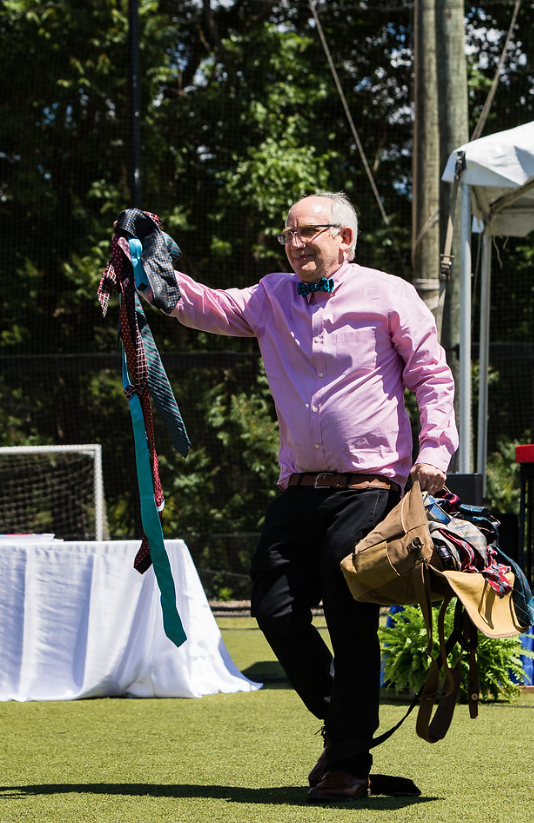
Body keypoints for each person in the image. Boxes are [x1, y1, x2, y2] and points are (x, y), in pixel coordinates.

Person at [158, 191, 458, 801]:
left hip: (371, 490)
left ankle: (348, 762)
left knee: (351, 622)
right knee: (273, 609)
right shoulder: (270, 295)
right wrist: (144, 269)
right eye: (288, 235)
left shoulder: (389, 292)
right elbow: (204, 305)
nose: (296, 243)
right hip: (297, 489)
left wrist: (434, 452)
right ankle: (347, 734)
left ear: (345, 238)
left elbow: (432, 376)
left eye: (309, 232)